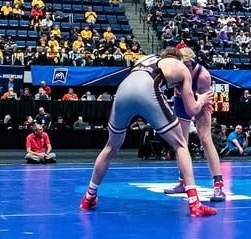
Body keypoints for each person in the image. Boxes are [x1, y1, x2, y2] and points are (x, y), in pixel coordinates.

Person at [80, 47, 216, 217]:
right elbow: (191, 109)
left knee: (111, 146)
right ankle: (195, 204)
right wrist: (202, 99)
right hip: (148, 88)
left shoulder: (145, 59)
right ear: (178, 59)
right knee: (181, 144)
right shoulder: (181, 67)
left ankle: (88, 197)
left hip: (123, 91)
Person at [161, 42, 227, 202]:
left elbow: (201, 101)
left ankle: (218, 186)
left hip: (201, 99)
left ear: (194, 61)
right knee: (181, 142)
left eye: (189, 64)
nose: (186, 68)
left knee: (205, 139)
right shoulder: (174, 71)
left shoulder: (203, 76)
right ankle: (183, 182)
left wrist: (202, 104)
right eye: (183, 64)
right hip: (181, 99)